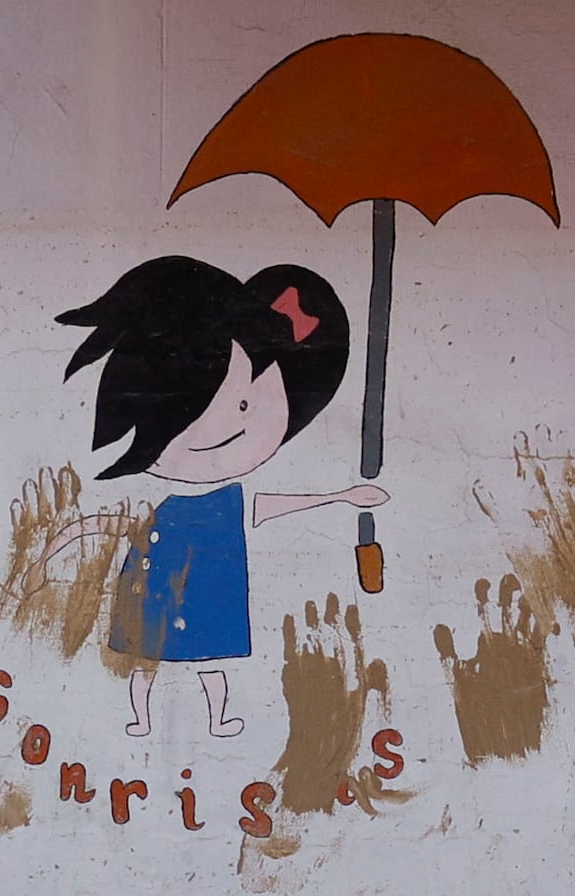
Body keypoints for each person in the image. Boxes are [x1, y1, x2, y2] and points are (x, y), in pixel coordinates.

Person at [53, 254, 380, 742]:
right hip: (158, 591)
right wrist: (74, 532)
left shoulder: (228, 502)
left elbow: (268, 506)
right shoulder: (167, 503)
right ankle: (141, 719)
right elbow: (123, 523)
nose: (223, 425)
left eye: (244, 403)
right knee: (148, 662)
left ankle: (216, 719)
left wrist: (341, 496)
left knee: (211, 664)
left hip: (208, 597)